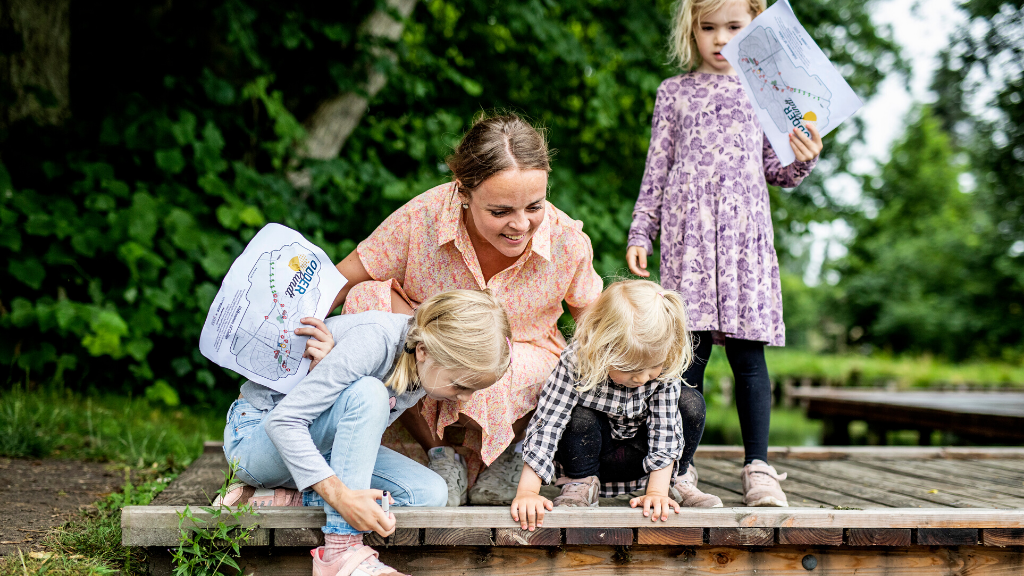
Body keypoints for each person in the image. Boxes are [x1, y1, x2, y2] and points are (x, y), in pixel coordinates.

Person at [327, 112, 603, 507]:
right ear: (463, 192)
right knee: (364, 301)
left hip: (521, 364)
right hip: (434, 354)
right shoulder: (421, 217)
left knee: (506, 360)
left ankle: (515, 454)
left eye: (534, 206)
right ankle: (440, 454)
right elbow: (343, 280)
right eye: (500, 211)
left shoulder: (567, 241)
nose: (521, 225)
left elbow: (601, 327)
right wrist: (281, 340)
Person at [625, 0, 823, 507]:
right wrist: (640, 232)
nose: (720, 38)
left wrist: (804, 159)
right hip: (688, 238)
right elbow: (657, 169)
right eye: (708, 28)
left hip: (742, 240)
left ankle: (758, 468)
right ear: (692, 31)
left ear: (755, 26)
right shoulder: (674, 93)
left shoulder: (768, 92)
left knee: (749, 357)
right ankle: (680, 469)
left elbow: (777, 171)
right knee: (687, 358)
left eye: (733, 27)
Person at [217, 289, 512, 576]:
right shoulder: (375, 341)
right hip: (257, 443)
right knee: (369, 392)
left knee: (430, 493)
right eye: (460, 386)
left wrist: (343, 492)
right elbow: (282, 423)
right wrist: (342, 497)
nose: (464, 398)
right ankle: (341, 553)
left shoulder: (424, 363)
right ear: (424, 351)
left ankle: (272, 499)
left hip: (312, 447)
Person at [510, 281, 722, 532]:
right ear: (603, 349)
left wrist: (656, 492)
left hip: (646, 461)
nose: (643, 378)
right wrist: (527, 492)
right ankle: (581, 485)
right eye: (631, 370)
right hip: (594, 457)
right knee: (578, 415)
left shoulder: (664, 364)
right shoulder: (576, 363)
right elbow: (548, 423)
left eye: (653, 367)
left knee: (691, 402)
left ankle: (675, 483)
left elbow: (666, 430)